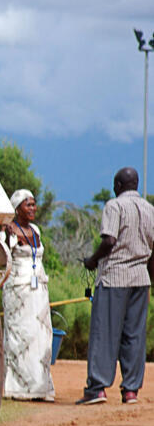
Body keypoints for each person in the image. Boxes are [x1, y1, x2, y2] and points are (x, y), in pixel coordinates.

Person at [79, 167, 154, 405]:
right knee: (134, 335)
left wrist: (92, 261)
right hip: (141, 279)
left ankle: (98, 387)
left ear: (118, 185)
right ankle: (131, 390)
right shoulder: (150, 209)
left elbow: (109, 240)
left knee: (105, 333)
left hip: (115, 278)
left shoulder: (114, 206)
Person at [0, 189, 55, 401]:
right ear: (17, 208)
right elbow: (1, 257)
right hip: (18, 289)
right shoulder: (8, 232)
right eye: (28, 205)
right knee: (21, 335)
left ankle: (41, 387)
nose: (33, 208)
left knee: (41, 336)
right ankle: (18, 387)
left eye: (34, 204)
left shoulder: (36, 230)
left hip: (38, 289)